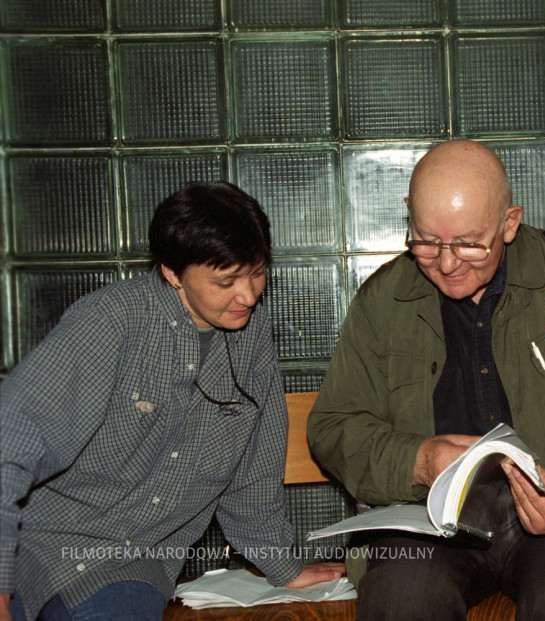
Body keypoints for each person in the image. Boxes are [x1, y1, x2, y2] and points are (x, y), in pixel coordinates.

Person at [307, 140, 545, 620]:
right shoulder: (383, 300)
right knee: (403, 601)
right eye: (427, 241)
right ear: (408, 214)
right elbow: (334, 427)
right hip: (424, 521)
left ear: (509, 223)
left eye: (470, 243)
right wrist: (418, 461)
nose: (447, 263)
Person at [0, 181, 344, 621]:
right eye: (226, 281)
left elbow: (254, 472)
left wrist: (282, 565)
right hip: (38, 548)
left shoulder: (252, 335)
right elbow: (11, 441)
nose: (248, 295)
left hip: (132, 567)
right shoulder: (110, 322)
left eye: (257, 272)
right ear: (172, 273)